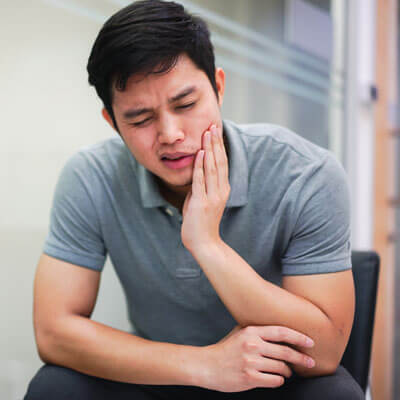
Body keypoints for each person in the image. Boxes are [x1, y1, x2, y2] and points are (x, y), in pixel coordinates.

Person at [24, 1, 363, 399]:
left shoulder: (306, 173)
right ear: (112, 122)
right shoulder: (89, 177)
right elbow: (54, 332)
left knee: (334, 393)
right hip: (161, 375)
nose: (170, 133)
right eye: (140, 119)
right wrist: (205, 366)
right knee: (54, 386)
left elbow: (323, 351)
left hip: (270, 377)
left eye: (185, 105)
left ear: (218, 87)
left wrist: (207, 245)